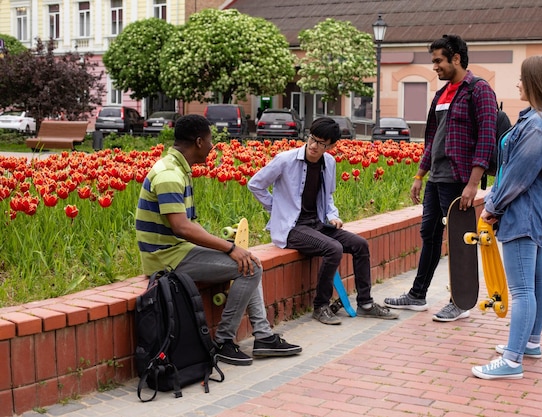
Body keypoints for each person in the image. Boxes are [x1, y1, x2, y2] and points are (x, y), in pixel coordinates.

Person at [135, 114, 301, 366]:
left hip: (178, 251)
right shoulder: (169, 174)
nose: (213, 147)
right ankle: (224, 341)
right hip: (166, 258)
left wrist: (230, 250)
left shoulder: (178, 168)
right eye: (210, 141)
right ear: (199, 141)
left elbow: (188, 225)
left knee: (249, 262)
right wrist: (230, 247)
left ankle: (263, 337)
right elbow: (181, 227)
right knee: (250, 267)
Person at [384, 34, 498, 322]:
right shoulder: (442, 94)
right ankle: (417, 295)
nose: (434, 67)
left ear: (456, 58)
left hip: (459, 179)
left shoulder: (479, 90)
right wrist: (420, 175)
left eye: (438, 61)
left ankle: (460, 302)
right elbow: (432, 138)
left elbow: (486, 138)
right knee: (429, 234)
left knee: (460, 240)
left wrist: (473, 183)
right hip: (437, 179)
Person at [472, 55, 542, 379]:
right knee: (536, 282)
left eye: (521, 78)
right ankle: (530, 343)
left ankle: (512, 361)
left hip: (523, 216)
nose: (517, 83)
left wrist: (492, 208)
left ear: (535, 83)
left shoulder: (537, 126)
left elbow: (516, 175)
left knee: (521, 290)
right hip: (536, 215)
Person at [248, 116, 398, 325]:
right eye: (312, 139)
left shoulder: (329, 162)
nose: (314, 146)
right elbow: (255, 184)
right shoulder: (285, 160)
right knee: (334, 248)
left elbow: (328, 197)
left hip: (316, 224)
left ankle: (365, 303)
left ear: (331, 146)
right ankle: (320, 306)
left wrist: (333, 216)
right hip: (292, 228)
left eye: (322, 144)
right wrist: (276, 210)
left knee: (360, 245)